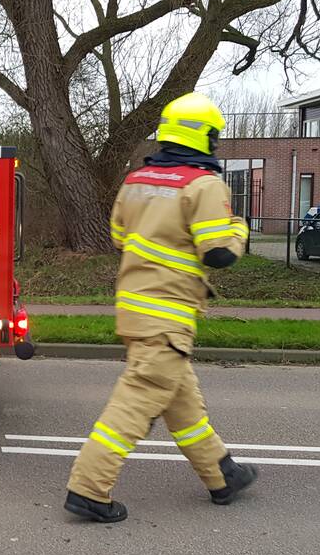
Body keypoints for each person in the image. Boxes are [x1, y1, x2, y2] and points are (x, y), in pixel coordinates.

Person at [65, 92, 257, 523]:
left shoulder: (136, 181)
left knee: (182, 402)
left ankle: (222, 475)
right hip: (169, 315)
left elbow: (118, 237)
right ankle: (88, 488)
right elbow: (218, 255)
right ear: (203, 135)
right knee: (134, 404)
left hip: (135, 310)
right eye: (214, 136)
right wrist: (239, 230)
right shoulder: (205, 186)